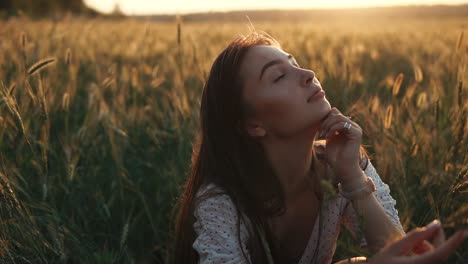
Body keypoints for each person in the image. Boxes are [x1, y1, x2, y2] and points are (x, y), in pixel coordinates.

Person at [169, 31, 467, 264]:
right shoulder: (223, 201)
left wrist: (351, 175)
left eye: (295, 63)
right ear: (253, 125)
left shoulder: (341, 162)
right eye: (279, 76)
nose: (308, 73)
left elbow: (403, 256)